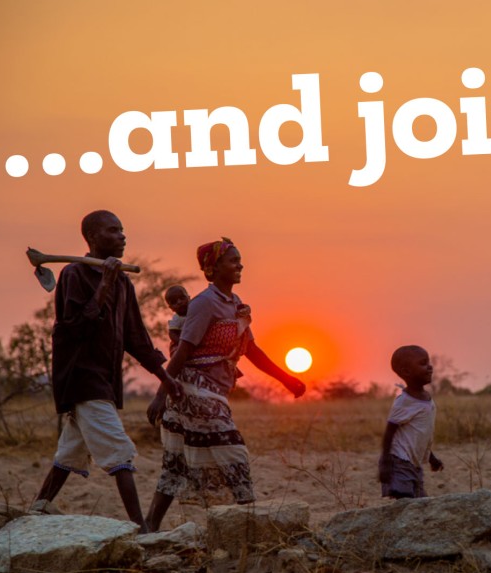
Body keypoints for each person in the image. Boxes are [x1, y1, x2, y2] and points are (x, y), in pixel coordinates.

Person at [32, 210, 182, 533]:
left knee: (71, 449)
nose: (122, 236)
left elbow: (136, 339)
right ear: (92, 238)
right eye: (113, 231)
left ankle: (40, 506)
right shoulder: (74, 275)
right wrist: (104, 284)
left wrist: (166, 379)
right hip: (81, 378)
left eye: (123, 230)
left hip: (104, 381)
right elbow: (74, 329)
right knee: (119, 449)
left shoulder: (124, 284)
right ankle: (140, 527)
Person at [144, 237, 306, 531]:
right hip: (192, 388)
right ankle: (252, 520)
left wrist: (287, 379)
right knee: (233, 451)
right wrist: (162, 392)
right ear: (213, 268)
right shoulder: (205, 303)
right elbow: (184, 351)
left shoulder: (235, 306)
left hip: (213, 390)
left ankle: (149, 526)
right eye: (233, 260)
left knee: (176, 462)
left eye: (240, 259)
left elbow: (253, 352)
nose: (240, 265)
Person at [378, 345, 444, 499]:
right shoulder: (405, 402)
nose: (430, 367)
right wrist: (386, 463)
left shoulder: (426, 398)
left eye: (428, 362)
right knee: (406, 501)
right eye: (423, 364)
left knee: (419, 502)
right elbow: (389, 432)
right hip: (398, 461)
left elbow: (419, 434)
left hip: (414, 463)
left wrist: (431, 458)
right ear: (406, 372)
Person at [163, 285, 190, 355]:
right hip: (182, 344)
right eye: (174, 302)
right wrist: (181, 343)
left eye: (182, 298)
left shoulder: (196, 312)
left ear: (189, 298)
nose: (179, 302)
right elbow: (172, 333)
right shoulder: (177, 319)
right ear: (171, 308)